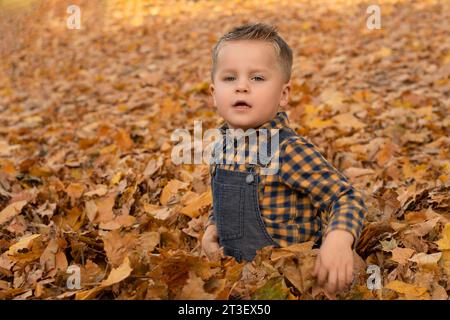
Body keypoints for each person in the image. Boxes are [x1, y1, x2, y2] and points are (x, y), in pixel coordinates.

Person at [201, 22, 367, 294]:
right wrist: (212, 227)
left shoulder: (287, 151)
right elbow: (223, 198)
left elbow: (345, 197)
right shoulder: (221, 147)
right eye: (229, 78)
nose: (242, 86)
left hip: (290, 282)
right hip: (238, 279)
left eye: (257, 78)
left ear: (283, 94)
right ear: (214, 95)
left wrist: (337, 240)